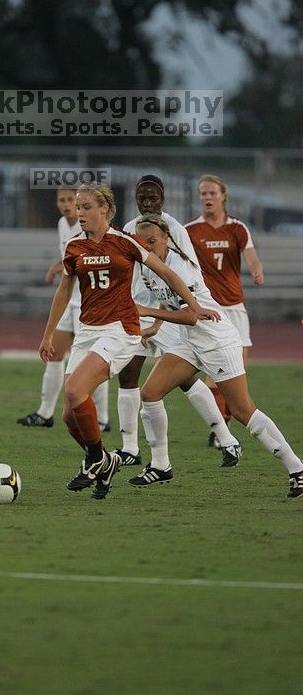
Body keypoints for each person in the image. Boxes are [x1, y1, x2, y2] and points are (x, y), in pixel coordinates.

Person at [38, 183, 220, 500]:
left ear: (105, 209)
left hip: (120, 329)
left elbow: (166, 272)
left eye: (86, 207)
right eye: (78, 207)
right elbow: (65, 290)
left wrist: (194, 306)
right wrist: (48, 333)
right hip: (87, 331)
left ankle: (96, 459)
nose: (79, 213)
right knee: (69, 415)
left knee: (73, 390)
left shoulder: (124, 240)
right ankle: (105, 461)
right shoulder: (73, 246)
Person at [128, 214, 302, 500]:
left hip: (216, 340)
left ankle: (297, 467)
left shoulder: (180, 266)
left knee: (243, 411)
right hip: (190, 342)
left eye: (152, 241)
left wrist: (148, 313)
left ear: (166, 239)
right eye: (141, 241)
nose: (146, 246)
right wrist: (156, 326)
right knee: (150, 393)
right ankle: (161, 465)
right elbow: (166, 297)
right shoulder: (148, 266)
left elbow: (192, 316)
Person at [113, 175, 242, 469]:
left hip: (170, 312)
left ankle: (226, 438)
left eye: (153, 197)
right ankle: (130, 448)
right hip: (139, 309)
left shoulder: (174, 229)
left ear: (163, 200)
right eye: (142, 198)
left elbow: (184, 273)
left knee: (183, 378)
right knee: (128, 373)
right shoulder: (130, 229)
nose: (147, 202)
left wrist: (174, 314)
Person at [17, 188, 110, 431]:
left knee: (93, 363)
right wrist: (57, 267)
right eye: (63, 200)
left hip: (89, 303)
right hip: (69, 300)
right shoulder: (62, 224)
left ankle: (102, 418)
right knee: (54, 354)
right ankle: (45, 413)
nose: (68, 205)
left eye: (72, 200)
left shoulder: (89, 226)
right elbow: (70, 258)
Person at [185, 174, 264, 448]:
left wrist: (256, 270)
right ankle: (220, 432)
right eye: (203, 193)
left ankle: (224, 427)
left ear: (223, 196)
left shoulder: (238, 229)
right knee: (215, 372)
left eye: (212, 193)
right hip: (209, 310)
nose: (207, 198)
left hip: (235, 308)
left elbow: (251, 254)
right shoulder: (190, 230)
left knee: (237, 371)